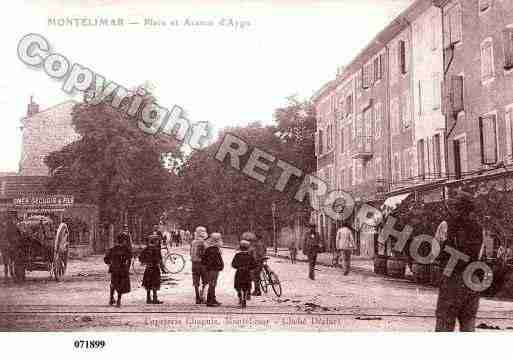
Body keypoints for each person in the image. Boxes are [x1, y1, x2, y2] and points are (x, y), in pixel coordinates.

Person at [435, 190, 484, 332]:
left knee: (445, 322)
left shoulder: (445, 225)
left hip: (451, 277)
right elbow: (479, 255)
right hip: (472, 279)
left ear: (456, 208)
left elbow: (435, 252)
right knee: (468, 323)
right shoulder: (479, 228)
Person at [104, 234, 132, 307]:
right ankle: (118, 301)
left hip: (114, 269)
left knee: (113, 283)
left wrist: (110, 264)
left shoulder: (113, 249)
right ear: (124, 241)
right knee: (121, 285)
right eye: (125, 241)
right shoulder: (126, 249)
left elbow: (106, 259)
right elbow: (130, 258)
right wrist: (127, 268)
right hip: (122, 269)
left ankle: (111, 298)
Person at [232, 237, 257, 308]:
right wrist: (249, 268)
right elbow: (254, 264)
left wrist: (238, 267)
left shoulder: (237, 255)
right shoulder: (250, 256)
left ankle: (240, 296)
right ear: (248, 248)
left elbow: (233, 264)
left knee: (238, 286)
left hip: (239, 272)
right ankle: (244, 299)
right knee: (246, 286)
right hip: (247, 273)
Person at [139, 233, 163, 304]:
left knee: (148, 283)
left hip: (148, 268)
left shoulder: (146, 249)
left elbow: (140, 258)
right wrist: (161, 266)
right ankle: (155, 298)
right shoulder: (157, 249)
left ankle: (148, 298)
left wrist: (145, 262)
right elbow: (159, 259)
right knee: (155, 283)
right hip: (155, 268)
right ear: (155, 241)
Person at [202, 232, 224, 307]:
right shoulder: (215, 250)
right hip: (214, 269)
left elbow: (204, 260)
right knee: (213, 284)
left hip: (209, 269)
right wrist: (220, 266)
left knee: (212, 284)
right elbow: (218, 261)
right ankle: (210, 301)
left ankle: (212, 299)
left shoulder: (208, 249)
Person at [190, 226, 208, 304]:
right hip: (203, 264)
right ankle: (202, 296)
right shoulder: (205, 243)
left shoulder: (193, 242)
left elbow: (190, 253)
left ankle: (197, 297)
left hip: (194, 263)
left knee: (196, 281)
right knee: (205, 281)